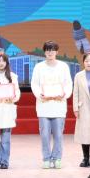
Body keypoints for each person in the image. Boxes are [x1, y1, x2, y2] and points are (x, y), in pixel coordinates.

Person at [30, 41, 73, 169]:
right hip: (44, 106)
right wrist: (40, 94)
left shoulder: (63, 66)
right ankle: (46, 158)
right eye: (48, 50)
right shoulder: (39, 67)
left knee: (58, 135)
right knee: (44, 135)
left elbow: (68, 84)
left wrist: (64, 94)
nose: (50, 52)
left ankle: (57, 158)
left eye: (52, 50)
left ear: (57, 52)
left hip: (59, 105)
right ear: (44, 52)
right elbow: (34, 84)